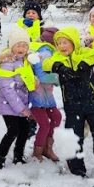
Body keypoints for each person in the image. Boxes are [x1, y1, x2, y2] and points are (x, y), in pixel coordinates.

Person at [43, 27, 94, 178]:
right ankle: (76, 168)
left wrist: (86, 63)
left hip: (93, 102)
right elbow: (45, 64)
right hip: (72, 106)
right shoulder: (57, 58)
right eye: (59, 43)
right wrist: (58, 67)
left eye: (65, 42)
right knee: (73, 137)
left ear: (74, 43)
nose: (62, 46)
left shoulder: (83, 54)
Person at [0, 28, 35, 171]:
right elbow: (7, 88)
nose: (21, 48)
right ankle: (0, 158)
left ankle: (18, 155)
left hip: (21, 103)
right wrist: (21, 108)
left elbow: (25, 79)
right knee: (13, 130)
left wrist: (34, 81)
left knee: (25, 129)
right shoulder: (6, 62)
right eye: (18, 45)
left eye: (24, 45)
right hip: (7, 104)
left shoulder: (25, 61)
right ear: (12, 46)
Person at [29, 27, 62, 164]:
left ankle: (47, 148)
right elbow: (42, 76)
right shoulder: (45, 52)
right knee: (44, 124)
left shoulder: (47, 50)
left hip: (47, 95)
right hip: (38, 96)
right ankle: (37, 152)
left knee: (56, 117)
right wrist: (60, 79)